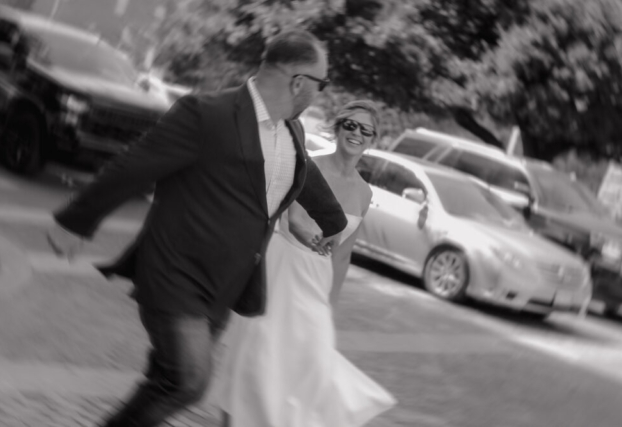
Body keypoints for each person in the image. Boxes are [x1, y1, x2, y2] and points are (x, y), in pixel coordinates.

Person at [46, 30, 348, 427]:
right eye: (321, 84)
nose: (320, 94)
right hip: (176, 275)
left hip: (224, 288)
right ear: (298, 82)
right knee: (190, 380)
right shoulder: (207, 114)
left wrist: (335, 222)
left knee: (166, 379)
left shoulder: (292, 132)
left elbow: (300, 174)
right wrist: (75, 222)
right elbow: (134, 166)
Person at [214, 100, 398, 427]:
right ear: (338, 128)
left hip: (316, 281)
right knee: (256, 352)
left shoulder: (365, 193)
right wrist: (305, 231)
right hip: (281, 267)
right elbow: (292, 220)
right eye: (350, 125)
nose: (356, 133)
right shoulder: (309, 164)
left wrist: (330, 304)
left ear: (372, 141)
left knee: (310, 361)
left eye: (365, 130)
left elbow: (343, 254)